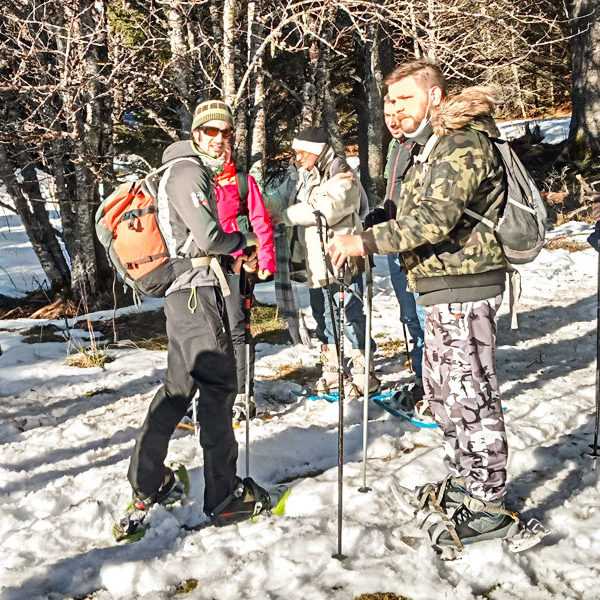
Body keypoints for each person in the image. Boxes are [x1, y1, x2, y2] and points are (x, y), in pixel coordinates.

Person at [328, 60, 521, 551]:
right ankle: (465, 481)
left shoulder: (463, 143)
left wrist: (364, 241)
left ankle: (489, 502)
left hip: (465, 284)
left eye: (404, 100)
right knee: (444, 392)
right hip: (439, 285)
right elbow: (415, 213)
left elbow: (432, 222)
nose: (393, 112)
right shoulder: (423, 149)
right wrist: (382, 217)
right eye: (389, 103)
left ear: (434, 97)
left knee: (470, 392)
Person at [122, 99, 275, 534]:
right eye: (211, 132)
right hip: (195, 294)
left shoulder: (184, 171)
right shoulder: (188, 172)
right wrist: (244, 237)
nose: (220, 140)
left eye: (226, 133)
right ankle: (224, 498)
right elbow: (208, 236)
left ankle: (148, 482)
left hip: (185, 294)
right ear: (194, 134)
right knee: (218, 386)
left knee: (178, 389)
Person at [276, 126, 378, 396]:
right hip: (317, 262)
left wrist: (285, 216)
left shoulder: (341, 172)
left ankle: (364, 371)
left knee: (350, 315)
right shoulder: (309, 175)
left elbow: (326, 209)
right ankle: (333, 369)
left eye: (302, 152)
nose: (298, 158)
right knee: (324, 316)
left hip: (341, 258)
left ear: (316, 151)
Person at [209, 132, 276, 422]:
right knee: (208, 328)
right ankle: (212, 390)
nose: (220, 153)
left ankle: (241, 394)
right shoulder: (197, 181)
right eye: (215, 149)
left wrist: (266, 259)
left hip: (236, 263)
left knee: (236, 326)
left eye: (225, 148)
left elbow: (260, 221)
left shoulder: (241, 181)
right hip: (203, 265)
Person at [365, 96, 426, 408]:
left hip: (417, 242)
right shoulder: (395, 147)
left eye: (398, 113)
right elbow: (395, 191)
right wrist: (380, 214)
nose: (391, 121)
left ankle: (434, 381)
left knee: (425, 313)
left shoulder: (423, 145)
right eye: (387, 115)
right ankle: (421, 377)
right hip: (396, 241)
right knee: (409, 314)